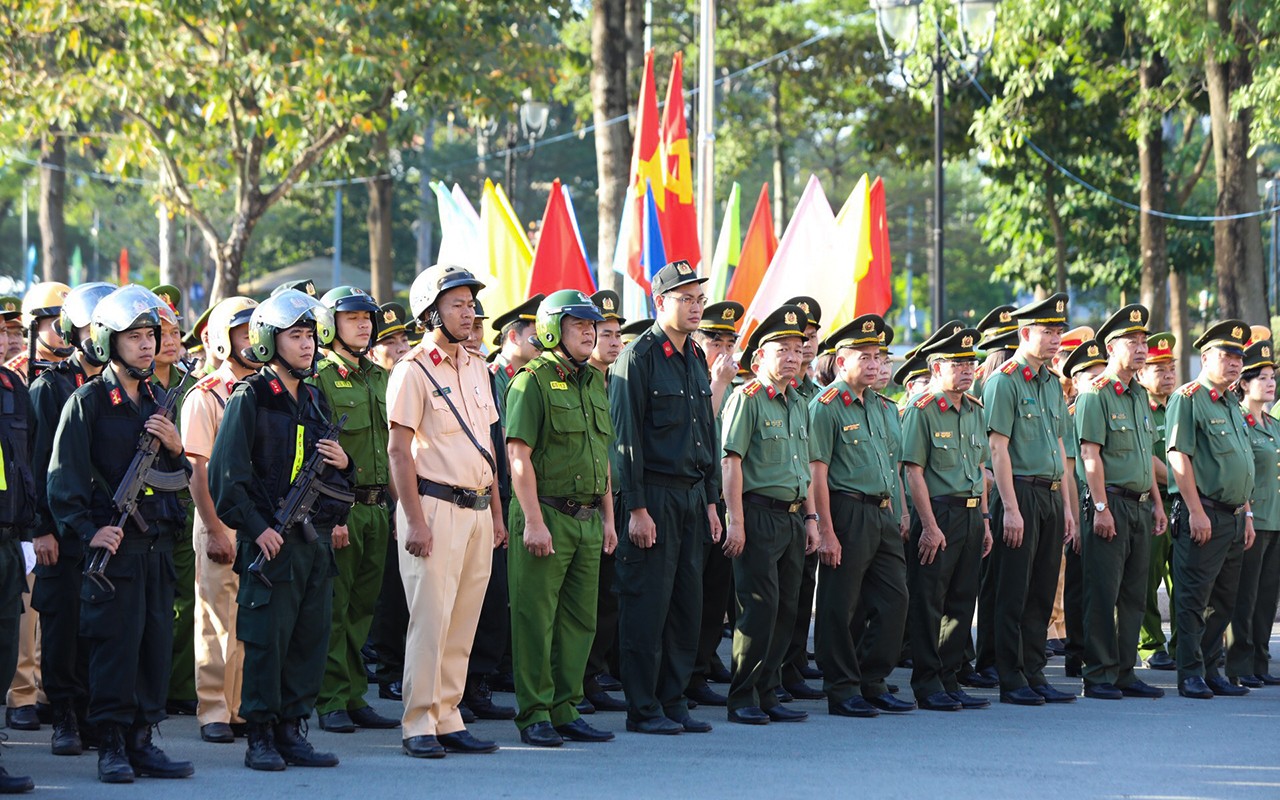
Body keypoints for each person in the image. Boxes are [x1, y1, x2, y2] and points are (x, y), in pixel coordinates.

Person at [47, 285, 194, 783]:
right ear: (109, 342)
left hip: (156, 546)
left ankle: (142, 740)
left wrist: (175, 447)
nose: (147, 345)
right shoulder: (87, 402)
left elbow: (181, 479)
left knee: (154, 645)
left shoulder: (158, 398)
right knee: (114, 648)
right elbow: (62, 482)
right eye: (134, 337)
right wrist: (90, 532)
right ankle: (110, 743)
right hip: (117, 549)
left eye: (151, 335)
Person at [209, 290, 352, 770]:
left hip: (311, 545)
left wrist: (343, 463)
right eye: (296, 336)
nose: (307, 344)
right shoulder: (250, 397)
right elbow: (226, 478)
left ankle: (293, 729)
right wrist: (256, 527)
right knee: (266, 641)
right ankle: (261, 735)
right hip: (269, 544)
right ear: (270, 341)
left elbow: (336, 479)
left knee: (308, 639)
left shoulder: (314, 397)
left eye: (310, 335)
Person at [386, 265, 506, 758]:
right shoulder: (411, 369)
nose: (469, 312)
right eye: (457, 304)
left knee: (463, 620)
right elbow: (398, 451)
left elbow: (489, 448)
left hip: (477, 508)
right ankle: (418, 722)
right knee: (431, 621)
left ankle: (448, 715)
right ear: (430, 311)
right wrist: (413, 519)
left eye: (471, 303)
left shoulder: (478, 366)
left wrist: (497, 513)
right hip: (433, 506)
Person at [609, 260, 721, 735]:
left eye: (699, 299)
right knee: (646, 605)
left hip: (693, 497)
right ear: (660, 302)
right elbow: (625, 439)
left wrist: (713, 502)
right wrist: (635, 508)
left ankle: (673, 699)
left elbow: (706, 436)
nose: (695, 307)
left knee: (685, 605)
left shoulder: (696, 356)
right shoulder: (638, 357)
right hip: (652, 495)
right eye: (685, 298)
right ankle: (643, 707)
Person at [503, 290, 617, 747]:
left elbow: (601, 455)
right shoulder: (531, 381)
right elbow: (517, 455)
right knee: (536, 619)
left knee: (579, 620)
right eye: (579, 326)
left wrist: (608, 518)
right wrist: (532, 521)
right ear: (552, 330)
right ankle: (535, 713)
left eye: (593, 326)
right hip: (547, 513)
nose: (590, 333)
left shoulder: (593, 380)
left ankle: (566, 707)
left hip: (589, 519)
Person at [808, 315, 910, 719]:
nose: (873, 364)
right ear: (840, 361)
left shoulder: (884, 407)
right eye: (863, 356)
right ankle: (842, 686)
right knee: (840, 603)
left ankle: (873, 679)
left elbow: (893, 465)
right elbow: (817, 472)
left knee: (894, 600)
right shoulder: (827, 407)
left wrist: (899, 514)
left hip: (883, 512)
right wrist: (826, 530)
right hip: (845, 510)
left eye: (878, 356)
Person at [26, 282, 112, 755]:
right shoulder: (51, 386)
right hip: (62, 528)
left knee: (97, 625)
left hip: (107, 526)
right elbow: (37, 463)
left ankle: (93, 715)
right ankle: (63, 715)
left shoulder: (124, 388)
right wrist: (41, 527)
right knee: (62, 624)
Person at [720, 305, 817, 725]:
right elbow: (731, 463)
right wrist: (736, 521)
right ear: (759, 357)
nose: (793, 356)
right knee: (759, 608)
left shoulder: (798, 401)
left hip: (793, 518)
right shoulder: (748, 398)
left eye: (798, 349)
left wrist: (811, 520)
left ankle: (769, 690)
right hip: (758, 516)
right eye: (784, 349)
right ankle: (743, 696)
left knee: (787, 609)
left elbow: (806, 466)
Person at [982, 292, 1078, 706]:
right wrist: (1010, 508)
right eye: (1048, 331)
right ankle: (1011, 676)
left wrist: (1069, 509)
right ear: (1024, 333)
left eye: (1059, 330)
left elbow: (1059, 443)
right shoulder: (1003, 381)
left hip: (1051, 494)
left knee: (1041, 590)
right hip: (1018, 492)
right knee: (1013, 590)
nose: (1056, 338)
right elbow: (997, 449)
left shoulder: (1051, 383)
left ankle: (1035, 671)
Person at [310, 287, 398, 733]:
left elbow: (393, 449)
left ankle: (354, 694)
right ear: (331, 325)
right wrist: (336, 513)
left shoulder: (380, 377)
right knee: (335, 608)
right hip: (342, 509)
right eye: (352, 319)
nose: (364, 325)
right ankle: (330, 699)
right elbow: (317, 451)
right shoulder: (322, 376)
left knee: (363, 608)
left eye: (367, 318)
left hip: (378, 507)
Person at [1074, 306, 1168, 700]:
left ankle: (1125, 670)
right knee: (1103, 591)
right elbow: (1090, 455)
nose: (1143, 348)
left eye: (1144, 341)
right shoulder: (1095, 394)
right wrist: (1099, 508)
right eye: (1134, 341)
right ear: (1112, 347)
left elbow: (1145, 456)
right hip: (1109, 503)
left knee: (1134, 593)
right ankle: (1097, 673)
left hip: (1141, 505)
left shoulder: (1137, 397)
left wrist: (1159, 504)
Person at [899, 326, 992, 711]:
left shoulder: (973, 409)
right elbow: (913, 471)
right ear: (936, 367)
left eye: (971, 362)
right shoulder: (922, 410)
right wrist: (930, 526)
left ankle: (950, 676)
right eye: (959, 362)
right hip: (938, 512)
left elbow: (981, 466)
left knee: (961, 600)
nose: (968, 369)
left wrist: (985, 519)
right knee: (929, 600)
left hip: (970, 513)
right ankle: (927, 680)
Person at [181, 297, 258, 744]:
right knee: (215, 619)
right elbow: (198, 470)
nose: (251, 342)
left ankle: (240, 706)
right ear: (225, 339)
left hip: (256, 520)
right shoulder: (206, 394)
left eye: (255, 331)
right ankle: (213, 709)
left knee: (249, 617)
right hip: (218, 518)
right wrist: (212, 528)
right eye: (243, 332)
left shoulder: (266, 389)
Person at [1165, 320, 1255, 700]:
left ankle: (1211, 667)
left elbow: (1241, 461)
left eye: (1238, 357)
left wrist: (1247, 512)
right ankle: (1190, 673)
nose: (1235, 363)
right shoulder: (1188, 398)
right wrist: (1195, 510)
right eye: (1227, 355)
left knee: (1223, 600)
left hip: (1233, 516)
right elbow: (1178, 455)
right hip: (1205, 513)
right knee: (1192, 597)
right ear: (1205, 357)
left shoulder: (1231, 401)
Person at [684, 300, 742, 709]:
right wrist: (717, 385)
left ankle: (703, 663)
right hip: (694, 498)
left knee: (717, 592)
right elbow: (698, 433)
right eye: (713, 340)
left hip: (724, 499)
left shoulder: (738, 387)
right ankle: (688, 671)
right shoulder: (692, 380)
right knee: (692, 592)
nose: (722, 350)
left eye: (729, 341)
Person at [150, 285, 202, 719]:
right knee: (150, 602)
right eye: (161, 331)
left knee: (187, 598)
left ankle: (180, 685)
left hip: (185, 500)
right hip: (145, 507)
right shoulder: (135, 384)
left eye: (175, 333)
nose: (170, 341)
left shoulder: (192, 385)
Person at [580, 289, 628, 713]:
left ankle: (594, 675)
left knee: (606, 596)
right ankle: (577, 680)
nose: (613, 341)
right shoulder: (579, 379)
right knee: (581, 600)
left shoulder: (620, 381)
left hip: (612, 500)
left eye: (617, 334)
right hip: (579, 502)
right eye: (604, 333)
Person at [1222, 339, 1280, 687]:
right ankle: (1240, 664)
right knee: (1244, 595)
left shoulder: (1273, 425)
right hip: (1252, 519)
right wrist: (1246, 515)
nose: (1270, 384)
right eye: (1262, 378)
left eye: (1273, 377)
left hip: (1276, 519)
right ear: (1244, 383)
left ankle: (1260, 660)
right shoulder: (1238, 420)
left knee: (1267, 597)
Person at [778, 297, 826, 701]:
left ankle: (793, 663)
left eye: (810, 338)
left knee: (800, 591)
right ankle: (772, 671)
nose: (806, 346)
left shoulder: (816, 392)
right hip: (771, 508)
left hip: (803, 506)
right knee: (773, 598)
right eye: (798, 339)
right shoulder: (772, 389)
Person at [367, 302, 412, 703]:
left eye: (403, 339)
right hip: (374, 500)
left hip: (404, 501)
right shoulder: (373, 384)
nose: (399, 347)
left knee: (401, 592)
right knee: (383, 595)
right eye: (389, 341)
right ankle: (386, 671)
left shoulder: (409, 380)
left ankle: (397, 668)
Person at [0, 319, 37, 792]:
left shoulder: (11, 386)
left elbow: (25, 463)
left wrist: (29, 533)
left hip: (7, 542)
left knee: (4, 653)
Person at [1137, 333, 1179, 670]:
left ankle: (1183, 642)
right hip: (1153, 503)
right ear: (1142, 373)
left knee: (1183, 579)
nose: (1167, 374)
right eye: (1159, 368)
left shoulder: (1179, 406)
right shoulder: (1139, 407)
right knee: (1147, 579)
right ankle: (1151, 645)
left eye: (1171, 367)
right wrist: (1184, 481)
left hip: (1182, 503)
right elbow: (1147, 459)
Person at [489, 295, 545, 416]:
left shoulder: (536, 376)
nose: (542, 343)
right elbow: (501, 431)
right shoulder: (492, 378)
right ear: (513, 337)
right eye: (535, 336)